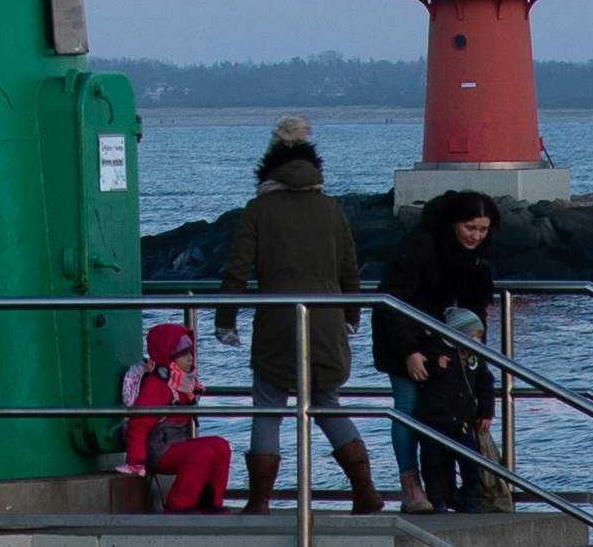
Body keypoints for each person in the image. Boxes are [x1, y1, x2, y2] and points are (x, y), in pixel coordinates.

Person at [215, 118, 383, 514]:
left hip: (276, 323)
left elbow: (237, 268)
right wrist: (352, 315)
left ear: (268, 170)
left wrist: (225, 321)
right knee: (327, 404)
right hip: (326, 322)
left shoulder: (258, 210)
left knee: (268, 408)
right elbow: (350, 269)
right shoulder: (331, 209)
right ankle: (366, 491)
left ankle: (259, 501)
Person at [378, 189, 502, 513]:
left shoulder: (479, 252)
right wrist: (409, 351)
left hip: (445, 337)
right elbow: (393, 300)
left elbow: (476, 301)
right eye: (470, 227)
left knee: (447, 410)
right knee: (408, 406)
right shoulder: (421, 243)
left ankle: (446, 489)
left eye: (483, 229)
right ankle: (411, 487)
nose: (476, 236)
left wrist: (475, 344)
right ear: (453, 223)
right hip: (400, 332)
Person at [120, 320, 232, 511]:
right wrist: (136, 461)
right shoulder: (156, 386)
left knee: (220, 447)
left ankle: (210, 503)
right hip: (157, 450)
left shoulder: (182, 384)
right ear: (169, 357)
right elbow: (138, 425)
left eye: (191, 353)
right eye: (184, 354)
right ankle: (177, 508)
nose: (191, 359)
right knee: (200, 454)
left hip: (175, 442)